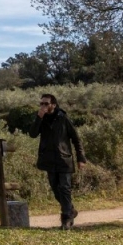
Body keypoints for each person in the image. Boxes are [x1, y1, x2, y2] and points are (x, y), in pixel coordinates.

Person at [29, 93, 86, 229]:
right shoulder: (41, 119)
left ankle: (66, 219)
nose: (43, 106)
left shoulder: (63, 118)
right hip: (49, 160)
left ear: (53, 105)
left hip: (64, 159)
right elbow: (32, 134)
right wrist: (39, 117)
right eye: (41, 103)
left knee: (64, 188)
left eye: (46, 103)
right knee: (56, 190)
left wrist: (81, 158)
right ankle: (70, 210)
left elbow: (76, 139)